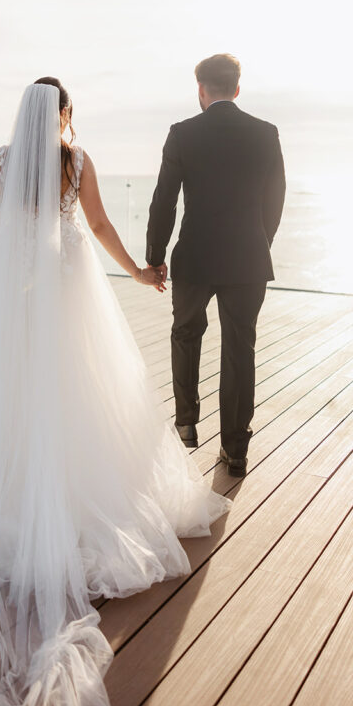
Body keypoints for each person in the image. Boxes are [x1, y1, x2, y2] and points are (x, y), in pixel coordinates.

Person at [0, 77, 231, 706]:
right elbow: (100, 223)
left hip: (17, 295)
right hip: (70, 291)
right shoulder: (76, 162)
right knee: (80, 389)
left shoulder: (0, 160)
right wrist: (136, 270)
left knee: (11, 394)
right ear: (65, 115)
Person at [146, 54, 286, 477]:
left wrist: (154, 257)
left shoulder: (182, 133)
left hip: (195, 255)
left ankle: (187, 423)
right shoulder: (265, 133)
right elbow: (275, 198)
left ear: (201, 90)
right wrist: (260, 242)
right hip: (247, 256)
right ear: (237, 89)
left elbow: (164, 199)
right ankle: (235, 449)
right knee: (240, 347)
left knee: (186, 334)